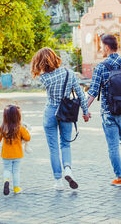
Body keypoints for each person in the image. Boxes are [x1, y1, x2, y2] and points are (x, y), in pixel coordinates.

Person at [31, 47, 91, 191]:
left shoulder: (44, 77)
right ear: (54, 57)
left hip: (50, 112)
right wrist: (85, 111)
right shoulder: (69, 73)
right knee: (65, 144)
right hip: (66, 112)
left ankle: (58, 181)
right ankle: (68, 170)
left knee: (53, 149)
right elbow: (81, 94)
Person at [87, 34, 121, 186]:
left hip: (108, 113)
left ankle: (119, 177)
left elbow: (93, 92)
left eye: (101, 46)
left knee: (113, 146)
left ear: (107, 47)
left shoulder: (101, 67)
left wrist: (84, 108)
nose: (100, 49)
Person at [0, 105, 31, 195]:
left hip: (6, 154)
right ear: (18, 116)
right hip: (17, 154)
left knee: (7, 169)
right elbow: (28, 138)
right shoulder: (20, 128)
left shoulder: (2, 128)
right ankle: (16, 188)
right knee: (16, 171)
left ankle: (6, 181)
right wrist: (26, 130)